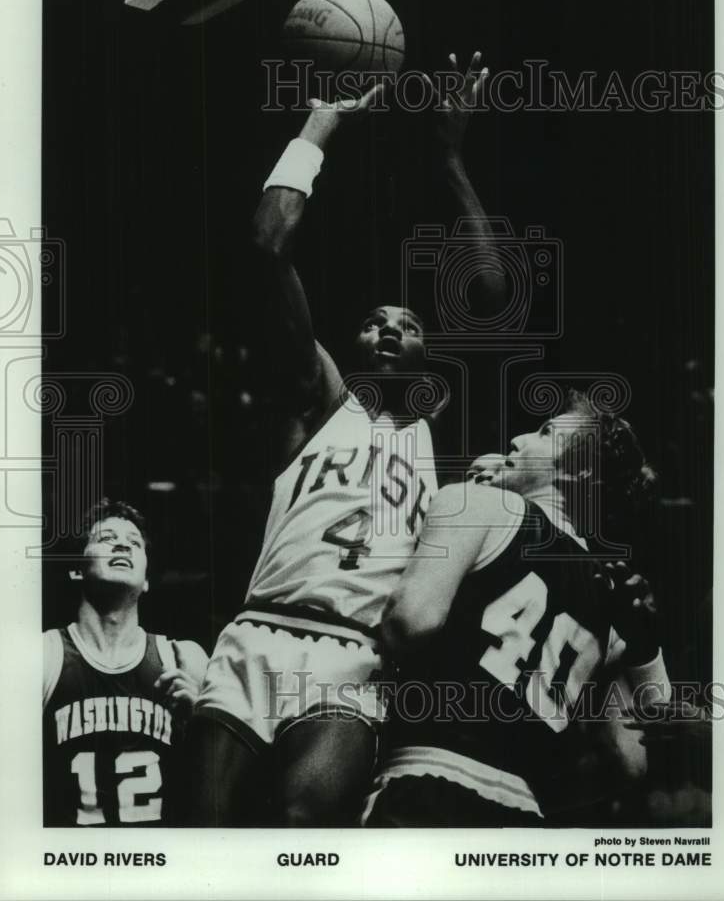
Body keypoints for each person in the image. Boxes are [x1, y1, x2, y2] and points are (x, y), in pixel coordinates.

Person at [187, 52, 508, 826]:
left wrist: (448, 160)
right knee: (196, 840)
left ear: (428, 352)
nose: (388, 328)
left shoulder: (442, 439)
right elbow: (267, 246)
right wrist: (321, 120)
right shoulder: (317, 399)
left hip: (353, 659)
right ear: (351, 342)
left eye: (407, 323)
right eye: (373, 321)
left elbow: (490, 293)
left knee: (305, 835)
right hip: (255, 636)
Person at [364, 390, 670, 826]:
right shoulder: (613, 596)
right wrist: (647, 652)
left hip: (424, 777)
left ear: (580, 470)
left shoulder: (478, 504)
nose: (518, 439)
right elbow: (633, 762)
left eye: (546, 432)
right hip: (524, 814)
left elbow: (406, 626)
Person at [43, 499, 208, 826]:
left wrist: (199, 729)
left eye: (134, 542)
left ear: (146, 579)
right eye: (106, 539)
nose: (122, 544)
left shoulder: (184, 659)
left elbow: (216, 791)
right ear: (77, 568)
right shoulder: (44, 655)